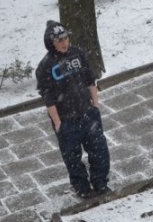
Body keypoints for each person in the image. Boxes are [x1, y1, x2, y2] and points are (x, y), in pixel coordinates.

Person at [35, 20, 111, 199]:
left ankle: (100, 183)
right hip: (67, 120)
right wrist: (58, 123)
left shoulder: (78, 53)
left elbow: (89, 79)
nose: (63, 43)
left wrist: (95, 104)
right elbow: (49, 98)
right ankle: (82, 188)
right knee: (72, 158)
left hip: (88, 113)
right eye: (58, 40)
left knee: (99, 150)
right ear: (51, 43)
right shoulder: (45, 66)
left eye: (65, 38)